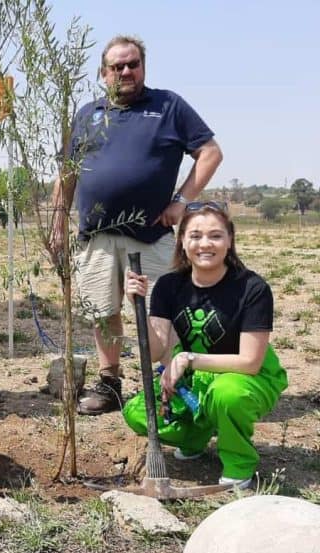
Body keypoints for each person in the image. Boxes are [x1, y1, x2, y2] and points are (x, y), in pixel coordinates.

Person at [51, 35, 223, 415]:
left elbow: (210, 152)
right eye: (118, 66)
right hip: (95, 237)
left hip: (150, 235)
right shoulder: (87, 114)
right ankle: (110, 383)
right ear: (103, 73)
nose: (126, 71)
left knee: (159, 311)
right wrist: (58, 221)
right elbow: (67, 171)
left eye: (133, 64)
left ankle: (171, 382)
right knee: (103, 310)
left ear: (143, 67)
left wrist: (181, 201)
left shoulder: (168, 106)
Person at [122, 202, 287, 489]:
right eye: (195, 236)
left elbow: (250, 362)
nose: (205, 244)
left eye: (215, 235)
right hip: (195, 382)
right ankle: (197, 435)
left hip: (247, 378)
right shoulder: (168, 286)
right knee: (136, 413)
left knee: (226, 394)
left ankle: (239, 462)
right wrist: (136, 304)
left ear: (229, 240)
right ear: (182, 242)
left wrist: (188, 358)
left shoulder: (252, 288)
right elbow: (157, 351)